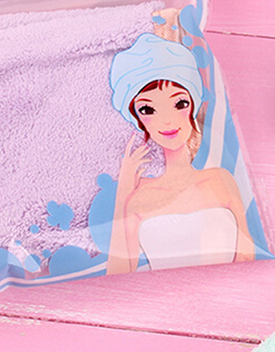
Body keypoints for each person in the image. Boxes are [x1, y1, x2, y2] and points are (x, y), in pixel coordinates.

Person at [106, 33, 254, 275]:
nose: (167, 120)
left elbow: (247, 252)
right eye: (148, 109)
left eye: (180, 104)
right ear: (137, 119)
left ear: (193, 104)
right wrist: (123, 193)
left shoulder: (220, 180)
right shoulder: (138, 199)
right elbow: (117, 271)